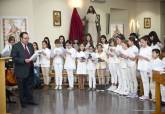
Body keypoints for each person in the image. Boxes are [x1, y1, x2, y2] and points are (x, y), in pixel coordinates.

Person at [11, 32, 37, 108]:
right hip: (21, 71)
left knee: (29, 87)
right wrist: (23, 60)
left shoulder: (30, 45)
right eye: (25, 38)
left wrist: (35, 58)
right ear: (21, 38)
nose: (27, 40)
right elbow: (14, 58)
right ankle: (23, 103)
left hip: (30, 69)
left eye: (28, 38)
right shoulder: (16, 46)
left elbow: (32, 56)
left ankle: (30, 100)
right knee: (22, 88)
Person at [137, 35, 152, 100]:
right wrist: (139, 56)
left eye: (142, 42)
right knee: (143, 81)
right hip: (141, 66)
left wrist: (144, 57)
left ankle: (147, 95)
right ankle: (145, 95)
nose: (141, 43)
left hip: (146, 66)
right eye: (141, 42)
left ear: (146, 41)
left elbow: (150, 59)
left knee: (146, 81)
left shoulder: (150, 48)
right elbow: (140, 56)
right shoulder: (141, 48)